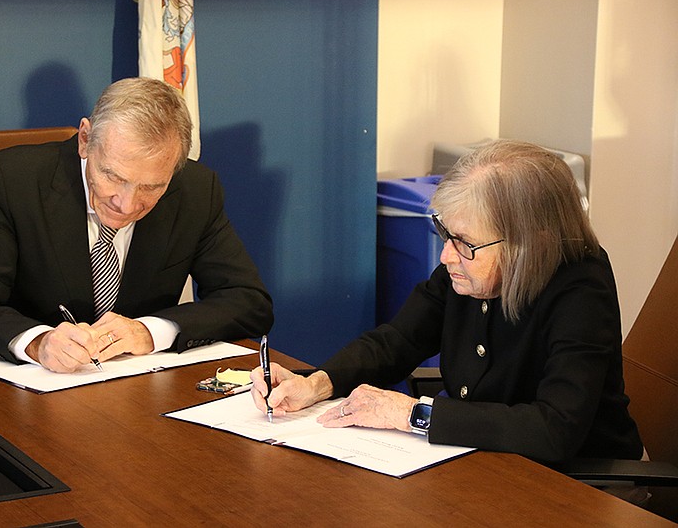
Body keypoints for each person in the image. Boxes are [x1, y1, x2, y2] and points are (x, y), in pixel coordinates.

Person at [251, 139, 643, 468]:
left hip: (575, 483)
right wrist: (317, 383)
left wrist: (410, 414)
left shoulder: (580, 286)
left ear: (529, 244)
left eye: (466, 243)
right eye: (445, 234)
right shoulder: (467, 268)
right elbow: (396, 342)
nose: (446, 257)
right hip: (483, 464)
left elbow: (554, 429)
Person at [0, 77, 273, 373]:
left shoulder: (196, 191)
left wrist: (151, 331)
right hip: (35, 394)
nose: (126, 204)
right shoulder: (16, 180)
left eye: (151, 187)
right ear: (85, 140)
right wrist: (38, 343)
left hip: (142, 393)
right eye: (113, 176)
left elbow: (249, 302)